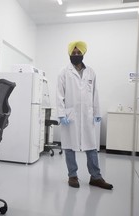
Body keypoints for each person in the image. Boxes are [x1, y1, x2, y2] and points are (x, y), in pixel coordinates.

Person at [56, 41, 113, 190]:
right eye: (73, 53)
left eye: (78, 53)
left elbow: (95, 93)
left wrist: (96, 112)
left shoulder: (91, 72)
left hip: (87, 115)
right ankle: (72, 176)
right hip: (71, 115)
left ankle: (96, 177)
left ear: (83, 54)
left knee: (91, 146)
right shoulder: (64, 72)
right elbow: (59, 94)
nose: (76, 55)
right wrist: (62, 114)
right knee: (69, 146)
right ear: (69, 54)